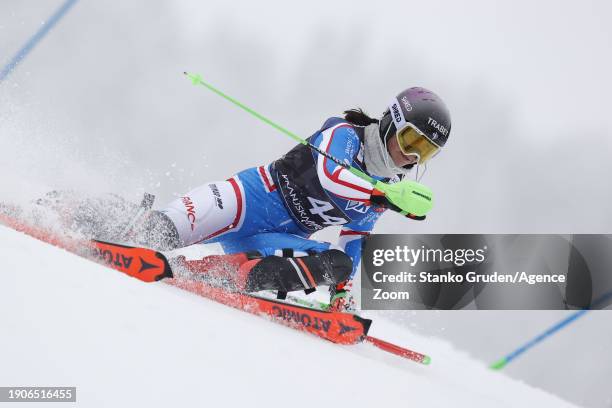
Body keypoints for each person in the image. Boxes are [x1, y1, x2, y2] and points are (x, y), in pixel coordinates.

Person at [133, 87, 451, 311]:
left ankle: (225, 273)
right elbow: (331, 175)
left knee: (338, 265)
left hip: (277, 239)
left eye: (425, 152)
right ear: (391, 122)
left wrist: (343, 293)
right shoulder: (344, 133)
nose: (411, 157)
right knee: (157, 232)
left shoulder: (386, 187)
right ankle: (113, 217)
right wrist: (383, 195)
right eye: (411, 140)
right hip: (245, 202)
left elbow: (355, 235)